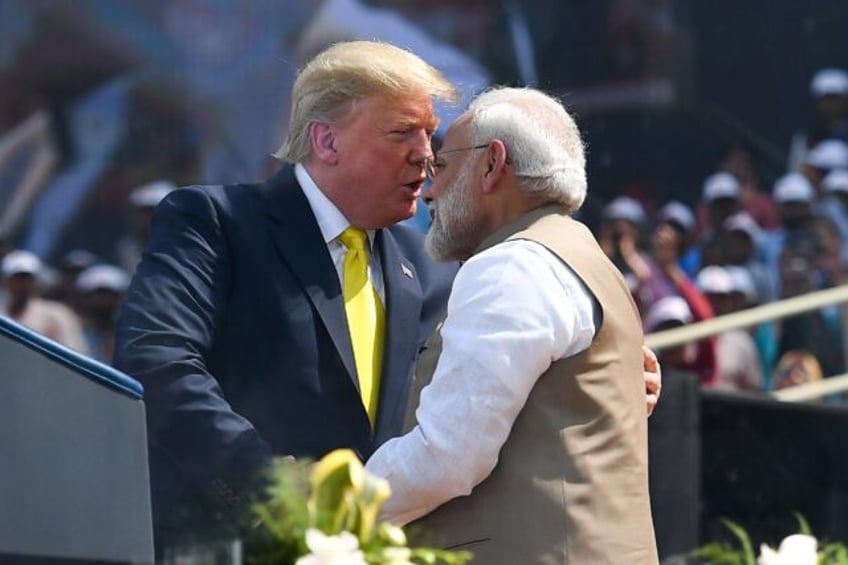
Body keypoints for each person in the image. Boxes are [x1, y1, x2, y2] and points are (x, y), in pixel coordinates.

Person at [114, 41, 662, 554]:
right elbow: (156, 362)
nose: (426, 158)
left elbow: (475, 394)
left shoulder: (435, 263)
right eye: (403, 133)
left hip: (371, 549)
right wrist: (267, 483)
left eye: (431, 135)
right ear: (326, 140)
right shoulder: (216, 223)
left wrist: (597, 373)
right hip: (237, 544)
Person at [365, 86, 658, 563]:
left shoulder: (509, 267)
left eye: (441, 165)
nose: (430, 190)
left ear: (491, 164)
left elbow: (448, 456)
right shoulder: (584, 256)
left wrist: (333, 507)